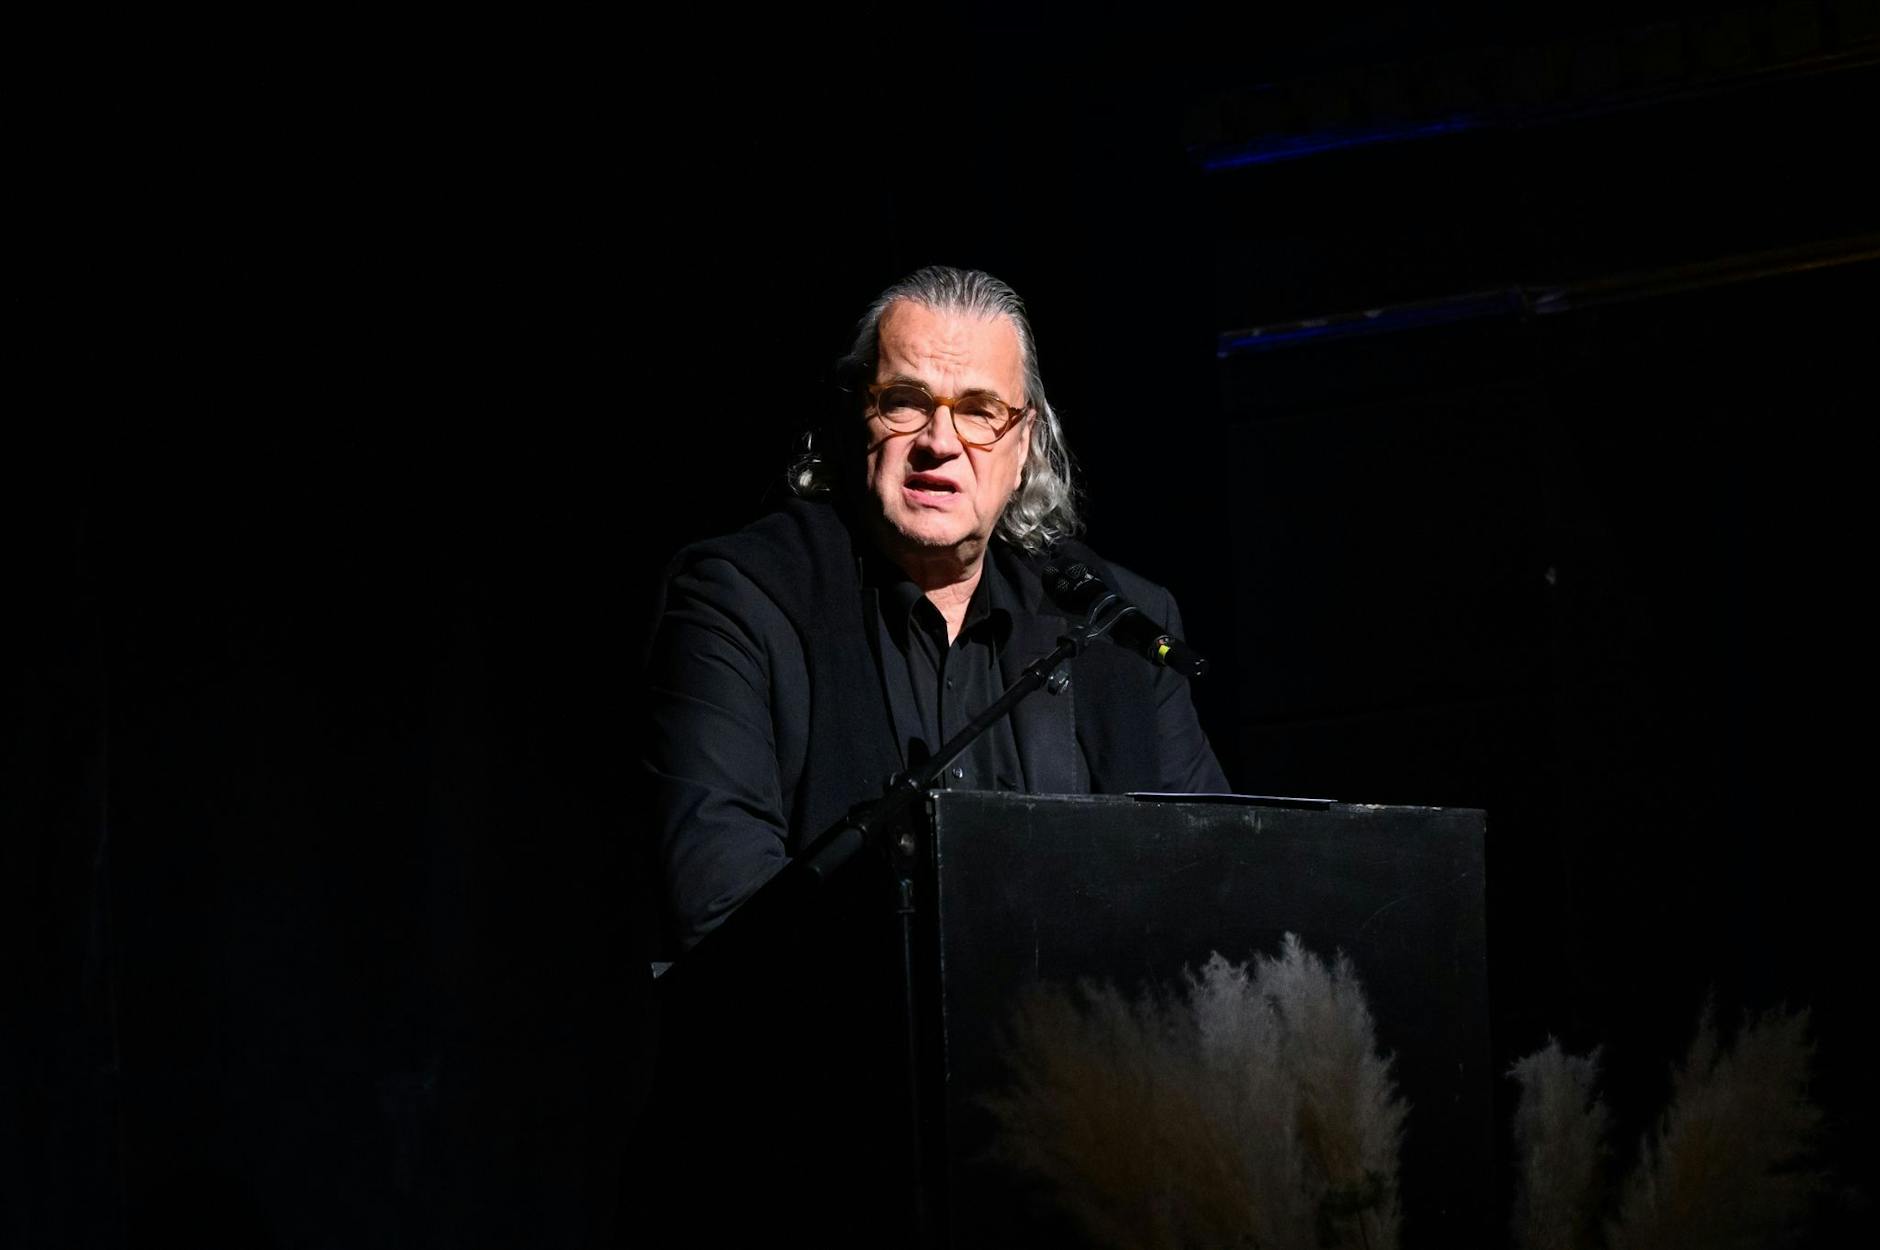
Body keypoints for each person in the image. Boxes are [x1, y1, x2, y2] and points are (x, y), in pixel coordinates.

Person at [644, 265, 1229, 953]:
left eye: (980, 411)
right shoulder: (741, 599)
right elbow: (724, 910)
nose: (939, 442)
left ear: (1022, 447)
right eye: (905, 400)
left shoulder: (1120, 622)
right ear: (851, 416)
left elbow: (1217, 889)